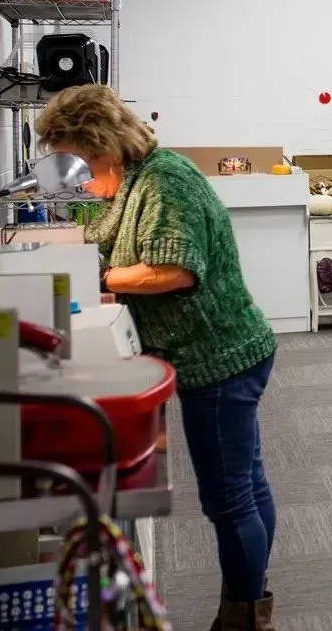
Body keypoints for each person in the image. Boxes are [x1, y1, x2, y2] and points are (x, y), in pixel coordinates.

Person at [36, 86, 278, 631]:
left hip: (218, 355)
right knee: (246, 484)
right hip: (217, 351)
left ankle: (244, 615)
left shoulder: (165, 180)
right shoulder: (133, 181)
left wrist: (97, 277)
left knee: (230, 497)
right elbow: (107, 237)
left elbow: (174, 270)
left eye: (79, 161)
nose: (79, 176)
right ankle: (251, 600)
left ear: (102, 145)